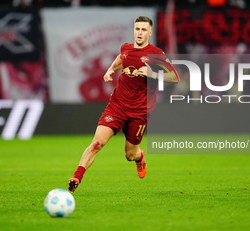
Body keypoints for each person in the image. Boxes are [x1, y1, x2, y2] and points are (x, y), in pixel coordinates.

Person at [68, 16, 179, 192]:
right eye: (137, 29)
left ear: (150, 33)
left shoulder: (156, 54)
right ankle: (77, 177)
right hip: (117, 106)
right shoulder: (126, 48)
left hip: (140, 111)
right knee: (97, 143)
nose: (140, 32)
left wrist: (152, 74)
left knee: (130, 154)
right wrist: (111, 69)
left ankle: (140, 157)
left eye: (143, 30)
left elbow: (174, 77)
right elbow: (122, 58)